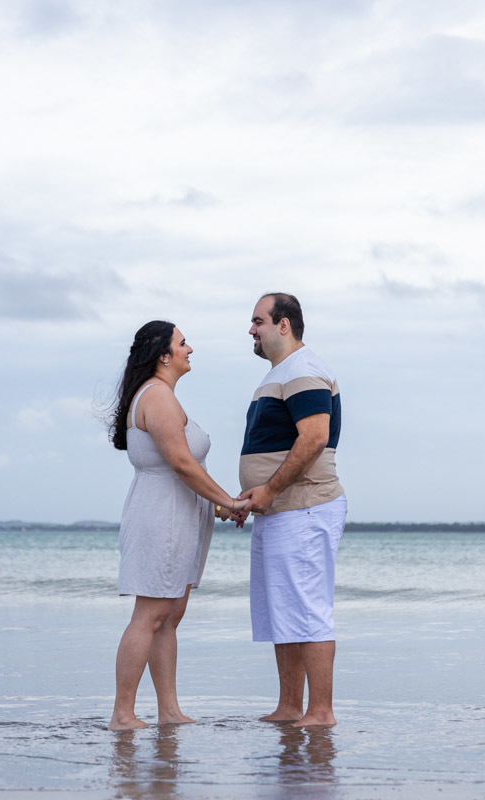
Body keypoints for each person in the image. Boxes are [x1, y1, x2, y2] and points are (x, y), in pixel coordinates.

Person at [107, 320, 248, 731]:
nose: (190, 349)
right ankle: (123, 714)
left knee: (169, 616)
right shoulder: (157, 396)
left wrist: (219, 506)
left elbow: (188, 468)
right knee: (149, 615)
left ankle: (168, 711)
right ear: (163, 355)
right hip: (161, 517)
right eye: (183, 343)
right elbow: (183, 464)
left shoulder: (160, 395)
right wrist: (229, 501)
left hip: (178, 514)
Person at [237, 293, 346, 728]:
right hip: (278, 510)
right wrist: (252, 494)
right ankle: (289, 706)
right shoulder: (280, 374)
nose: (251, 330)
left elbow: (314, 437)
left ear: (284, 325)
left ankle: (320, 711)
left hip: (304, 507)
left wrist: (270, 489)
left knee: (308, 607)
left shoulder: (304, 369)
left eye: (258, 320)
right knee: (282, 609)